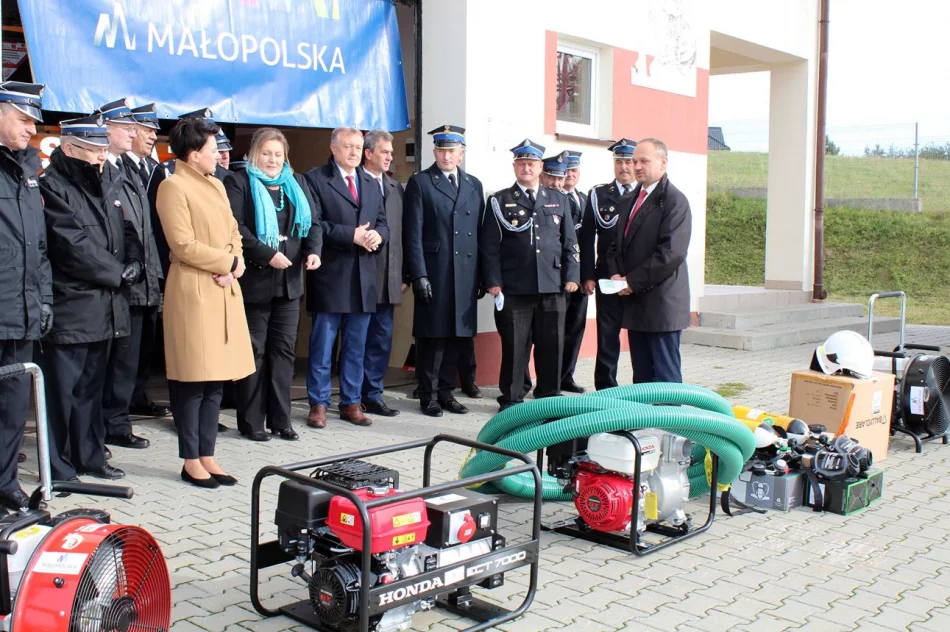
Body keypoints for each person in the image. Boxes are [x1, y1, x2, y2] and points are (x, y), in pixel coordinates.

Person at [37, 113, 144, 482]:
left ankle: (90, 457)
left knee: (91, 392)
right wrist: (117, 274)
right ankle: (58, 465)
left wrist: (134, 260)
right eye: (93, 150)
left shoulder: (107, 179)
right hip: (73, 305)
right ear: (69, 148)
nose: (101, 157)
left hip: (106, 306)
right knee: (61, 395)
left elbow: (127, 227)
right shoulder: (53, 186)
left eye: (102, 149)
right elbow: (71, 244)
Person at [155, 116, 254, 488]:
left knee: (216, 380)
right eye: (214, 150)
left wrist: (237, 264)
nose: (220, 155)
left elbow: (233, 232)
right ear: (194, 154)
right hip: (194, 290)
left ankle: (208, 454)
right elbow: (182, 244)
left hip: (223, 288)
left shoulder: (215, 185)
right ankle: (189, 458)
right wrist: (227, 262)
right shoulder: (174, 187)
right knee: (192, 380)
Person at [225, 127, 322, 442]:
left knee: (283, 353)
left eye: (278, 154)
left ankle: (282, 420)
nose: (272, 160)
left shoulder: (296, 183)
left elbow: (313, 223)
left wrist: (313, 252)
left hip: (290, 284)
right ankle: (252, 422)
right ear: (255, 153)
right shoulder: (238, 183)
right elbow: (236, 228)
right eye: (266, 153)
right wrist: (267, 255)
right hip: (256, 281)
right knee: (255, 353)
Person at [481, 140, 579, 411]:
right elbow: (489, 246)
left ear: (540, 167)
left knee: (552, 343)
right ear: (514, 166)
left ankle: (548, 394)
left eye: (532, 163)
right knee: (515, 346)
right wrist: (492, 281)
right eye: (522, 163)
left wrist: (572, 275)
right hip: (514, 287)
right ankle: (511, 397)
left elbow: (569, 241)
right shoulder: (499, 200)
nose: (526, 167)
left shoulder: (558, 198)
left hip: (552, 283)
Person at [304, 128, 388, 429]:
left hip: (363, 277)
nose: (354, 152)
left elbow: (382, 221)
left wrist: (378, 234)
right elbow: (313, 225)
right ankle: (318, 403)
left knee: (356, 346)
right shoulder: (315, 179)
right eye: (348, 147)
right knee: (323, 345)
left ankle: (351, 401)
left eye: (357, 147)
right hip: (331, 275)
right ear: (333, 148)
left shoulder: (369, 181)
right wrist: (349, 235)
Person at [404, 125, 485, 417]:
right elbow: (412, 235)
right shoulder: (421, 183)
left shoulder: (474, 185)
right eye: (441, 150)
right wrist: (418, 275)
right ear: (435, 152)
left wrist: (482, 276)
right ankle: (428, 395)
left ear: (461, 154)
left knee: (457, 338)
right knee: (433, 337)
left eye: (452, 151)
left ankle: (447, 392)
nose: (446, 155)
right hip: (436, 272)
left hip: (465, 273)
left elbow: (480, 234)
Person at [0, 81, 52, 511]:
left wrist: (45, 300)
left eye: (34, 121)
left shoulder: (28, 171)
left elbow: (40, 248)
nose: (31, 128)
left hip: (21, 312)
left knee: (15, 408)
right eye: (22, 119)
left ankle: (6, 485)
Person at [96, 98, 158, 451]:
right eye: (126, 127)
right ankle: (112, 423)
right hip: (119, 281)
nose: (134, 133)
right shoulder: (105, 168)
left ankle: (117, 421)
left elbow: (142, 231)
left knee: (129, 359)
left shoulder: (129, 169)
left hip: (139, 278)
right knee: (117, 361)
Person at [607, 138, 691, 383]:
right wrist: (615, 275)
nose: (637, 166)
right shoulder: (630, 198)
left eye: (644, 160)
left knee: (665, 376)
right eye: (634, 161)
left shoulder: (675, 201)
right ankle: (644, 420)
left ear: (663, 163)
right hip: (635, 302)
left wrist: (631, 281)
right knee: (641, 376)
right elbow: (616, 244)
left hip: (662, 303)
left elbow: (671, 253)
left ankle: (669, 421)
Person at [578, 139, 638, 390]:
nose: (624, 167)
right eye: (619, 162)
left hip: (637, 277)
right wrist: (587, 274)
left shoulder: (645, 194)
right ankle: (606, 386)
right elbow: (587, 236)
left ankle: (641, 385)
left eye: (628, 162)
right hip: (605, 276)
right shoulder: (599, 194)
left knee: (638, 333)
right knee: (607, 333)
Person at [122, 102, 169, 418]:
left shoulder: (147, 168)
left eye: (154, 130)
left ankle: (137, 397)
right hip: (132, 277)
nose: (153, 135)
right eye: (147, 129)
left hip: (151, 275)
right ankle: (119, 410)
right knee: (126, 353)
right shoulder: (122, 168)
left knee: (143, 348)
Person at [360, 130, 405, 417]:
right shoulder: (356, 182)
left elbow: (405, 234)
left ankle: (373, 394)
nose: (390, 156)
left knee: (380, 339)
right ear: (368, 153)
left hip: (389, 277)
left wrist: (405, 275)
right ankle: (352, 395)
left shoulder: (396, 187)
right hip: (361, 276)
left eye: (391, 152)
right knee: (356, 340)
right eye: (384, 151)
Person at [560, 150, 589, 393]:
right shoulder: (553, 199)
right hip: (559, 276)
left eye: (574, 170)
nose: (570, 174)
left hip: (580, 277)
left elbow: (589, 243)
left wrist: (587, 275)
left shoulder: (585, 199)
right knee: (555, 330)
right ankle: (552, 376)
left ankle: (567, 375)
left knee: (575, 328)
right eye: (567, 169)